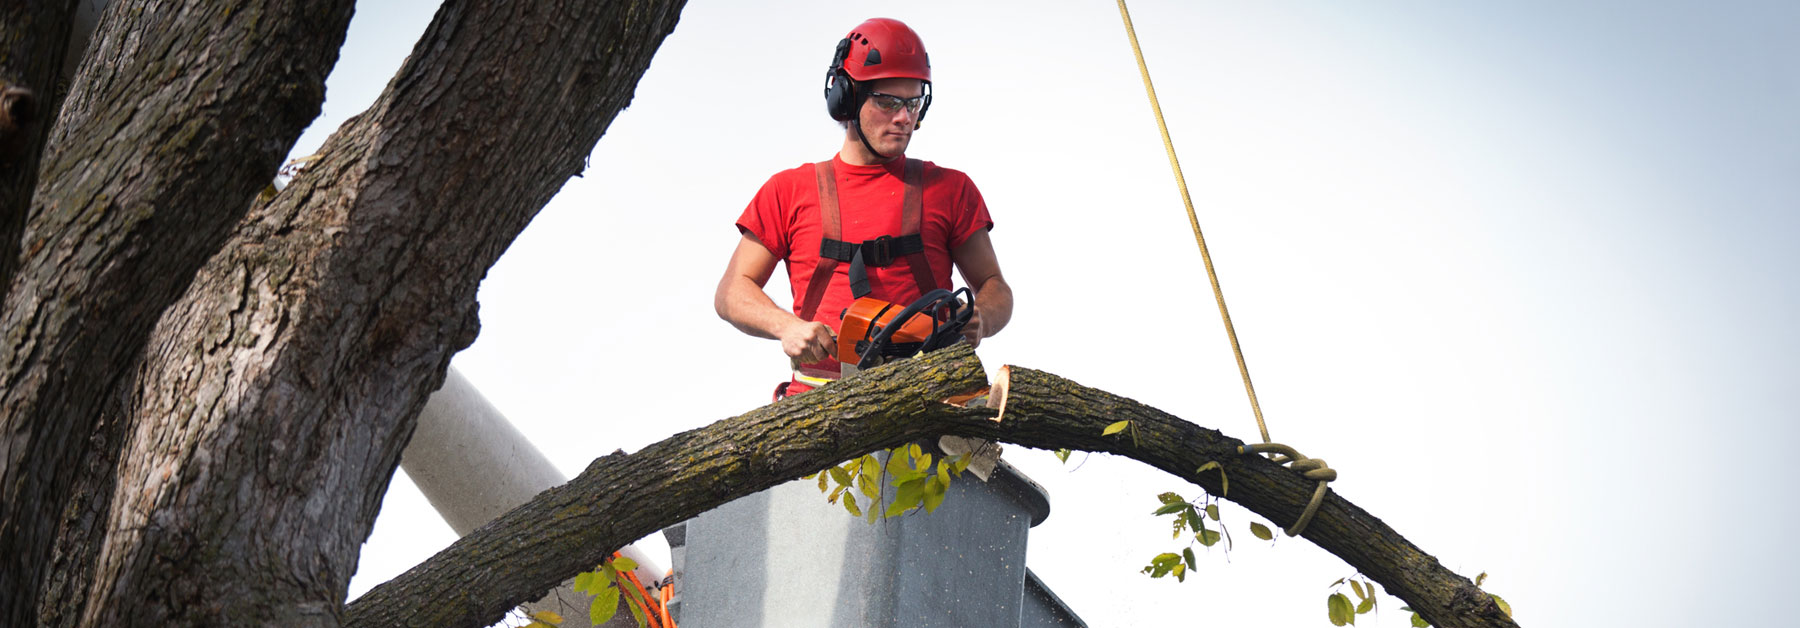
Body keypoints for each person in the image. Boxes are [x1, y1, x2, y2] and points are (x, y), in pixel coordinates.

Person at [715, 17, 1012, 399]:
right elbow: (730, 292)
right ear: (848, 99)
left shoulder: (951, 189)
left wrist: (982, 318)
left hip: (932, 400)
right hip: (822, 407)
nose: (904, 117)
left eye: (913, 102)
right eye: (888, 102)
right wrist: (785, 326)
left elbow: (996, 287)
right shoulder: (788, 191)